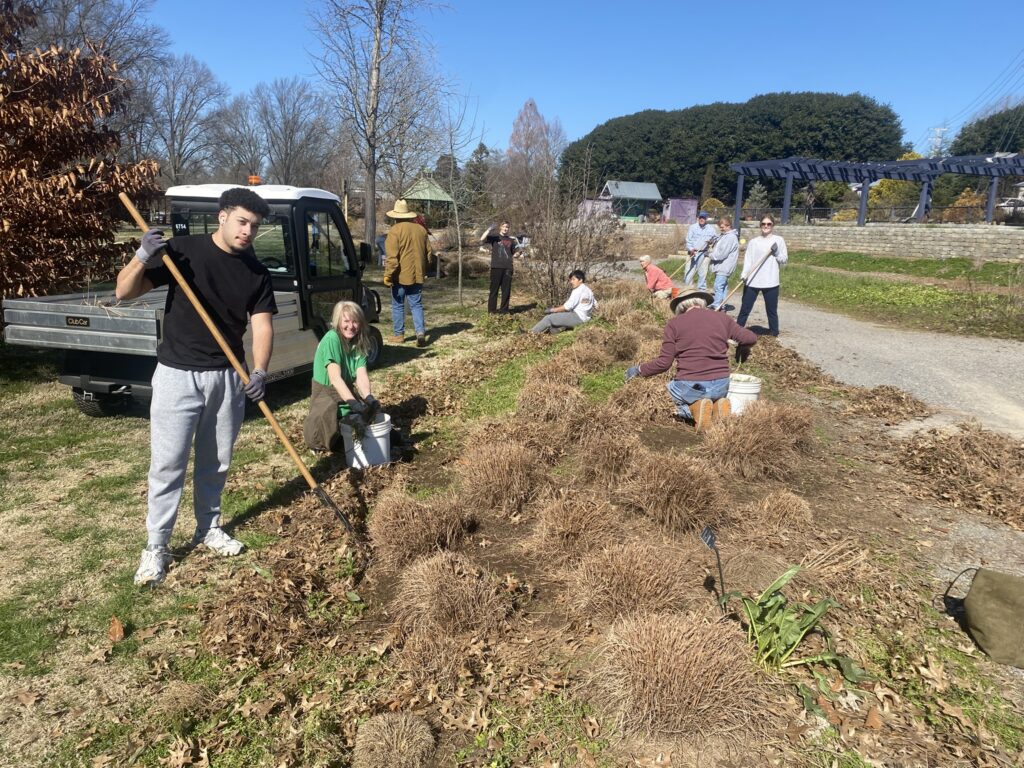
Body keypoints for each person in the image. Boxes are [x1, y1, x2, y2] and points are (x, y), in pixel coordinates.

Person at [115, 187, 277, 586]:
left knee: (217, 461)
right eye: (242, 222)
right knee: (168, 464)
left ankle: (208, 527)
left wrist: (259, 371)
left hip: (226, 376)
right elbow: (123, 292)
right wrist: (142, 256)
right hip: (176, 374)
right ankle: (156, 546)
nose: (247, 232)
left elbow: (261, 324)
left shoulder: (255, 272)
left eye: (254, 226)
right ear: (222, 216)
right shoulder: (181, 252)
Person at [625, 287, 756, 431]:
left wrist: (638, 370)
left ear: (680, 307)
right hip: (721, 384)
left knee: (661, 399)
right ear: (702, 302)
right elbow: (750, 338)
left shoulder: (674, 324)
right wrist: (743, 348)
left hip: (691, 384)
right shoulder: (723, 318)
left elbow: (664, 363)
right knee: (711, 393)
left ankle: (693, 410)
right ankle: (718, 405)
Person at [304, 301, 379, 452]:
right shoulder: (332, 339)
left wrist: (369, 398)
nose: (351, 326)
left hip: (346, 395)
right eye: (346, 321)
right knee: (343, 441)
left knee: (385, 435)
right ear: (338, 321)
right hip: (327, 397)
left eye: (355, 321)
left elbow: (361, 376)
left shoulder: (359, 342)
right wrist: (356, 405)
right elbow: (335, 379)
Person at [383, 199, 429, 347]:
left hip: (400, 276)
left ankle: (399, 335)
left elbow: (392, 258)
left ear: (396, 216)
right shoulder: (421, 230)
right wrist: (424, 269)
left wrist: (387, 275)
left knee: (398, 304)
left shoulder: (395, 231)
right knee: (416, 304)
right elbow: (429, 254)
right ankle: (420, 332)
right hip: (417, 274)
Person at [736, 214, 788, 337]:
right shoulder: (754, 242)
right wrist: (744, 274)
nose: (766, 226)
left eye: (769, 224)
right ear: (760, 226)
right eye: (763, 224)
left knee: (771, 311)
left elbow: (784, 259)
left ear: (773, 225)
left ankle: (774, 333)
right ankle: (736, 331)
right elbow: (748, 260)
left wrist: (776, 253)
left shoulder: (779, 240)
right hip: (753, 280)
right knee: (745, 309)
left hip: (771, 281)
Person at [530, 270, 596, 334]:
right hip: (586, 319)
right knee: (562, 316)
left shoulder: (578, 290)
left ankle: (530, 333)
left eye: (573, 279)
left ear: (580, 280)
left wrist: (552, 310)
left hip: (578, 318)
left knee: (549, 318)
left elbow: (567, 306)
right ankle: (554, 331)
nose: (571, 282)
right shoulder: (588, 291)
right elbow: (596, 305)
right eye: (570, 280)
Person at [481, 220, 516, 313]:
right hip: (496, 267)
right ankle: (492, 311)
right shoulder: (495, 237)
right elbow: (482, 239)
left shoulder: (511, 240)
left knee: (506, 291)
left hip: (508, 268)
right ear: (500, 227)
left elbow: (514, 253)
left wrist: (519, 254)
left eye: (507, 227)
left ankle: (504, 311)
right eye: (504, 226)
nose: (505, 229)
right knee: (494, 290)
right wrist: (489, 229)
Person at [708, 216, 739, 309]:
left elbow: (722, 254)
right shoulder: (724, 236)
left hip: (725, 266)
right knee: (723, 286)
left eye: (722, 227)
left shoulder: (730, 237)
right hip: (721, 265)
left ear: (728, 226)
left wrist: (709, 255)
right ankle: (722, 303)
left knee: (718, 285)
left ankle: (717, 304)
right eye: (720, 227)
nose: (721, 229)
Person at [683, 210, 717, 291]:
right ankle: (688, 289)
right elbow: (688, 240)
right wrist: (691, 249)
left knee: (702, 273)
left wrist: (712, 241)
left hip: (703, 253)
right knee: (689, 271)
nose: (702, 219)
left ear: (706, 219)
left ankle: (701, 290)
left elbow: (715, 239)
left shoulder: (711, 229)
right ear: (698, 218)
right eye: (700, 217)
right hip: (692, 252)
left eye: (703, 218)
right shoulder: (693, 227)